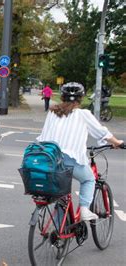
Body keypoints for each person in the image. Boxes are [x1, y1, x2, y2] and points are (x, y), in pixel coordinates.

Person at [36, 82, 123, 221]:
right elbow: (102, 133)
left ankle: (59, 233)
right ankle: (84, 210)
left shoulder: (52, 112)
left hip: (47, 159)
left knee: (61, 196)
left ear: (62, 97)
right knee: (89, 179)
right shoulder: (83, 114)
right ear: (81, 98)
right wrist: (118, 142)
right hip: (68, 159)